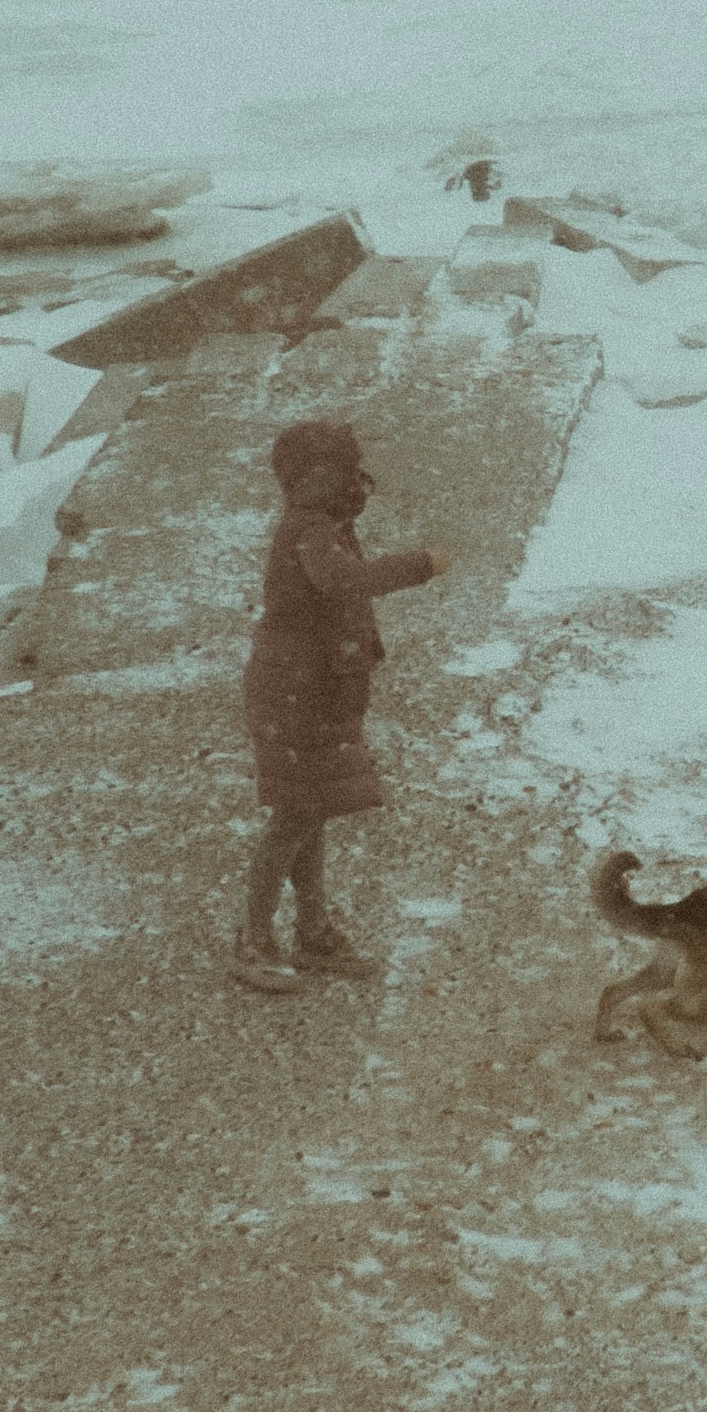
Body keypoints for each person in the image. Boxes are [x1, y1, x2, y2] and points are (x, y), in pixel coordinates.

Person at [233, 414, 440, 990]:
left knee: (312, 810)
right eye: (336, 470)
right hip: (295, 692)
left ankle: (313, 931)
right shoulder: (310, 527)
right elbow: (344, 583)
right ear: (306, 477)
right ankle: (253, 942)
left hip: (314, 687)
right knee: (296, 814)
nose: (350, 480)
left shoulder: (321, 522)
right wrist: (419, 565)